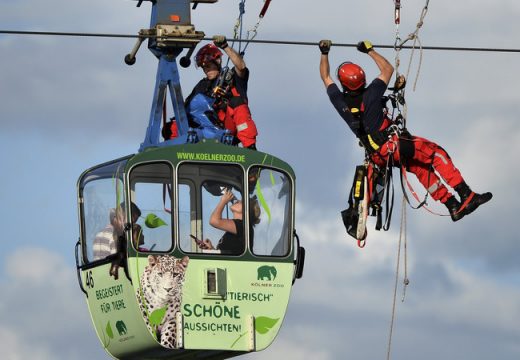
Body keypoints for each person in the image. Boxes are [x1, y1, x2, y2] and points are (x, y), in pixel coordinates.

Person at [318, 39, 492, 221]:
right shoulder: (373, 92)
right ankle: (466, 194)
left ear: (344, 84)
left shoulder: (340, 101)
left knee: (421, 168)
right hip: (394, 146)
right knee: (435, 153)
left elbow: (325, 76)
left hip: (379, 156)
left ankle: (452, 205)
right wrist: (370, 50)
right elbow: (387, 69)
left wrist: (324, 53)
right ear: (363, 80)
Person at [185, 35, 258, 149]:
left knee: (236, 102)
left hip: (228, 129)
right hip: (205, 130)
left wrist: (225, 46)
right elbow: (187, 107)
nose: (206, 70)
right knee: (175, 123)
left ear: (217, 62)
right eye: (204, 68)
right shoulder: (201, 86)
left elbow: (241, 66)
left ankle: (250, 147)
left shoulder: (232, 78)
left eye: (209, 66)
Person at [199, 189, 261, 254]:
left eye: (242, 202)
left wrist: (223, 201)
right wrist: (211, 249)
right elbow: (229, 254)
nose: (238, 201)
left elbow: (214, 221)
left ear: (247, 211)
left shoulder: (244, 226)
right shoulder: (238, 227)